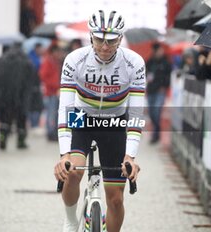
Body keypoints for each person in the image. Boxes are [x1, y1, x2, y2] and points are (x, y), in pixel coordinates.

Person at [54, 10, 145, 232]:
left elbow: (136, 113)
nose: (105, 46)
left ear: (120, 39)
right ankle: (71, 219)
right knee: (73, 171)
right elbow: (65, 108)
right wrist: (64, 154)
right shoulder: (75, 60)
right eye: (99, 39)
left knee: (115, 200)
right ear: (90, 36)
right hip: (81, 117)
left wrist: (130, 156)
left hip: (115, 122)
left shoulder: (134, 63)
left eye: (112, 40)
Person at [0, 45, 33, 149]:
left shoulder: (2, 61)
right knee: (21, 120)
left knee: (4, 120)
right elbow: (31, 81)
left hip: (5, 96)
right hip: (21, 96)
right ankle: (21, 142)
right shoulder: (26, 61)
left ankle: (2, 138)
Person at [146, 42, 172, 144]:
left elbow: (168, 76)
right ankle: (156, 130)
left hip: (160, 91)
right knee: (152, 112)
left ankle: (156, 134)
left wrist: (165, 86)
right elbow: (145, 73)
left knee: (157, 111)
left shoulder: (165, 63)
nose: (161, 52)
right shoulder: (149, 62)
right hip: (151, 90)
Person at [40, 44, 63, 141]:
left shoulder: (55, 62)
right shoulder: (48, 62)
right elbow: (43, 75)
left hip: (55, 91)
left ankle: (53, 131)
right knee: (51, 113)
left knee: (54, 113)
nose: (59, 54)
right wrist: (54, 85)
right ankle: (50, 132)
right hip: (51, 92)